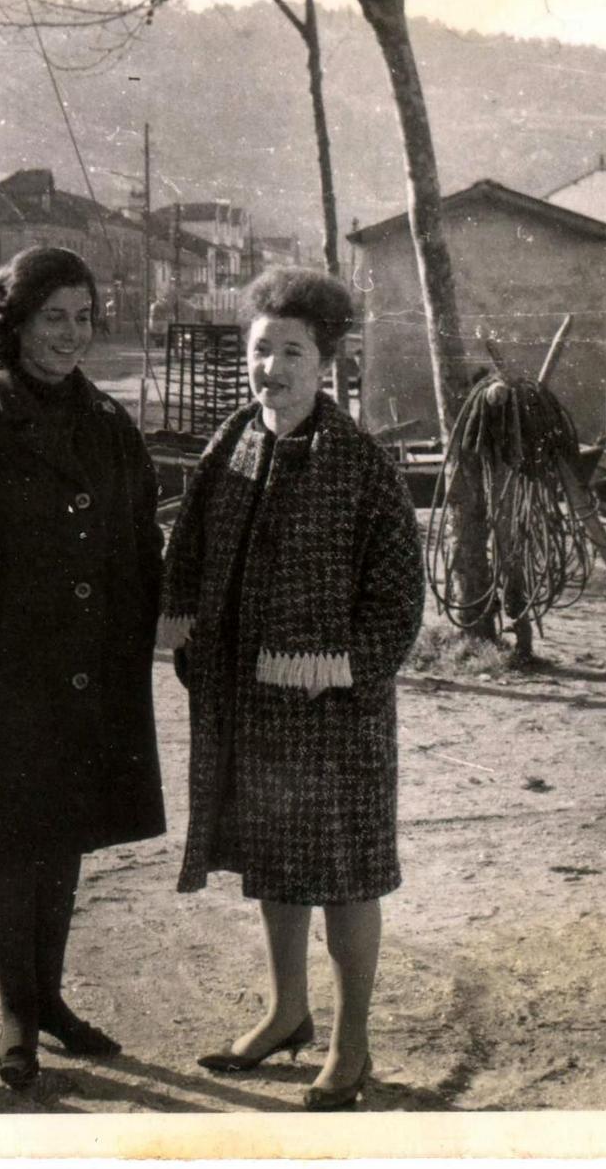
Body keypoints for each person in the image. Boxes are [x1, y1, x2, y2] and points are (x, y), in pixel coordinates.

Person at [160, 266, 424, 1111]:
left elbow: (398, 600)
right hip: (251, 702)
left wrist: (341, 666)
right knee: (275, 864)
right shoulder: (235, 439)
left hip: (336, 711)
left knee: (345, 873)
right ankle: (286, 1013)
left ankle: (351, 1048)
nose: (272, 367)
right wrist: (181, 623)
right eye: (260, 349)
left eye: (292, 352)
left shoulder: (362, 466)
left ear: (328, 363)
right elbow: (189, 550)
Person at [0, 246, 166, 1091]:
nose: (69, 335)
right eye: (52, 317)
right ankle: (15, 1010)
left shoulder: (111, 424)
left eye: (83, 318)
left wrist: (135, 640)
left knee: (65, 835)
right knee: (9, 839)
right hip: (3, 682)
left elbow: (141, 543)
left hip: (91, 676)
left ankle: (50, 999)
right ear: (14, 324)